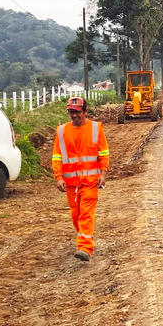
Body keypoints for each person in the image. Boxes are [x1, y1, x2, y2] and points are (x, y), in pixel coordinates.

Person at [52, 96, 110, 262]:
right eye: (71, 112)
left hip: (91, 181)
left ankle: (85, 247)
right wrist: (58, 176)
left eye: (77, 112)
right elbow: (57, 156)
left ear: (85, 112)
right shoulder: (61, 131)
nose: (73, 115)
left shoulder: (96, 129)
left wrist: (103, 173)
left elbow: (103, 153)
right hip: (70, 183)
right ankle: (86, 238)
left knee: (86, 214)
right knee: (76, 214)